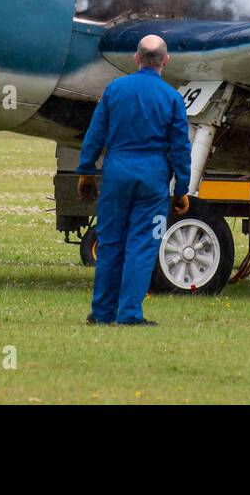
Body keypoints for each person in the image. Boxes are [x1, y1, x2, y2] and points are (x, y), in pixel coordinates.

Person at [76, 34, 192, 326]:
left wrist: (86, 171)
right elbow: (180, 149)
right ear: (166, 60)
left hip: (116, 174)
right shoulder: (172, 98)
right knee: (142, 244)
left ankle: (101, 313)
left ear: (136, 58)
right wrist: (181, 190)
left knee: (111, 242)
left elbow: (95, 134)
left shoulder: (114, 90)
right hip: (152, 180)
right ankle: (129, 314)